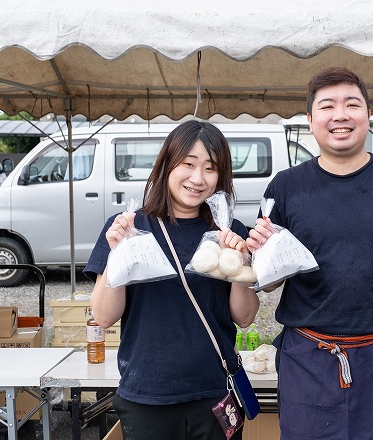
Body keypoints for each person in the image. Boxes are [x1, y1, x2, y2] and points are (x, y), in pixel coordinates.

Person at [246, 67, 373, 440]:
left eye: (351, 104)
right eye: (327, 106)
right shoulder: (286, 187)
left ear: (367, 115)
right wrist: (260, 251)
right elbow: (271, 282)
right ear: (311, 121)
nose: (340, 115)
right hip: (307, 355)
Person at [85, 120, 259, 440]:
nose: (197, 178)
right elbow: (104, 316)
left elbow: (245, 318)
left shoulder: (228, 231)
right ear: (167, 165)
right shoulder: (129, 227)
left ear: (221, 177)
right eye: (188, 164)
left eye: (210, 168)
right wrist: (115, 256)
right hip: (146, 394)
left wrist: (241, 265)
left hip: (214, 393)